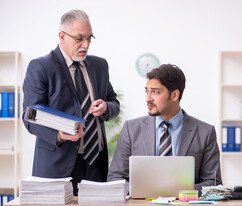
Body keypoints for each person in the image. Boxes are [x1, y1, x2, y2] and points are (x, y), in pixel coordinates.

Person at [22, 9, 120, 195]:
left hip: (96, 162)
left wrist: (106, 108)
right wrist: (59, 134)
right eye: (79, 38)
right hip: (58, 165)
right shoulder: (41, 67)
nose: (86, 44)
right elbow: (29, 117)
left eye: (90, 38)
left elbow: (114, 103)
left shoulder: (100, 66)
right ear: (62, 36)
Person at [108, 64, 222, 192]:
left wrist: (178, 190)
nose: (148, 99)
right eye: (147, 91)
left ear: (174, 95)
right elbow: (115, 177)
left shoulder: (205, 132)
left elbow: (214, 183)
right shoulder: (131, 129)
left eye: (156, 92)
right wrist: (142, 189)